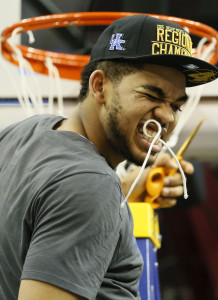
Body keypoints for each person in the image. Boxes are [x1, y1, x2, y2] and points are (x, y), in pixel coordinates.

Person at [0, 14, 218, 300]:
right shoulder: (92, 185)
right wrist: (106, 192)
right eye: (151, 95)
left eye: (176, 105)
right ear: (100, 86)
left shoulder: (23, 135)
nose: (166, 115)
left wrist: (126, 189)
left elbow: (51, 206)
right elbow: (83, 192)